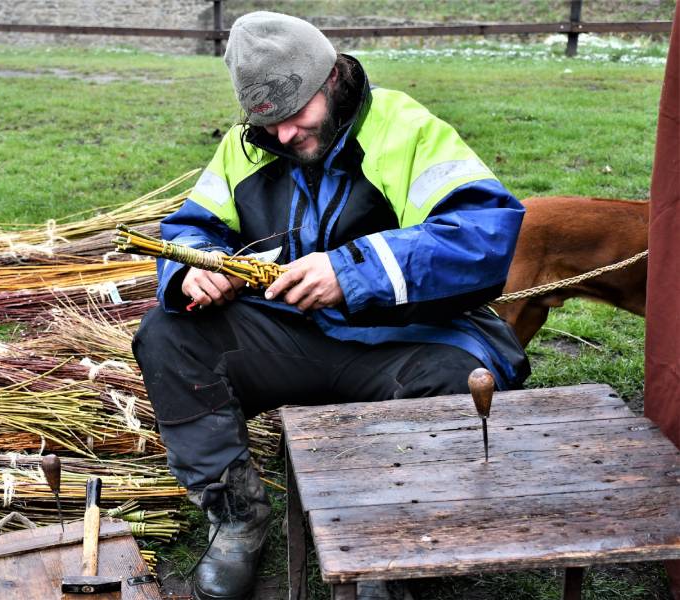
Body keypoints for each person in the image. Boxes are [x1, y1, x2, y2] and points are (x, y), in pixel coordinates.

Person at [132, 11, 529, 600]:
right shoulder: (252, 145)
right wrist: (194, 267)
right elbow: (191, 227)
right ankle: (237, 515)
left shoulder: (404, 127)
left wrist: (352, 271)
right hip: (295, 338)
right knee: (169, 335)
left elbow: (485, 236)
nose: (284, 136)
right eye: (268, 125)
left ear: (334, 79)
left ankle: (402, 539)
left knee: (458, 382)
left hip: (409, 344)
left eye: (296, 115)